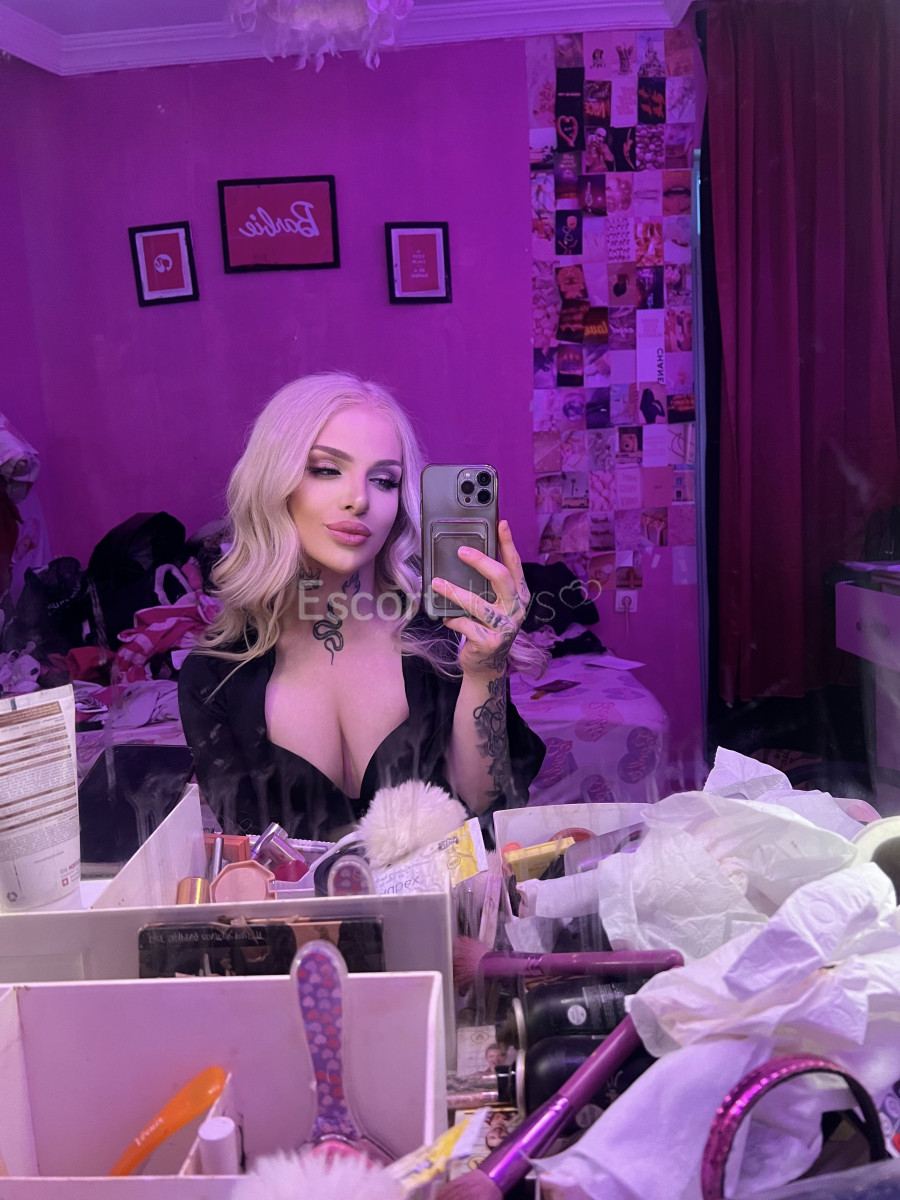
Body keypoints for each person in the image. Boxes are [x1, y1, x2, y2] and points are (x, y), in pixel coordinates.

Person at [178, 372, 546, 841]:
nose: (359, 499)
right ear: (273, 484)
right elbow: (258, 862)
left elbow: (481, 807)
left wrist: (484, 672)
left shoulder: (446, 638)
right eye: (326, 470)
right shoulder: (213, 678)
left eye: (384, 480)